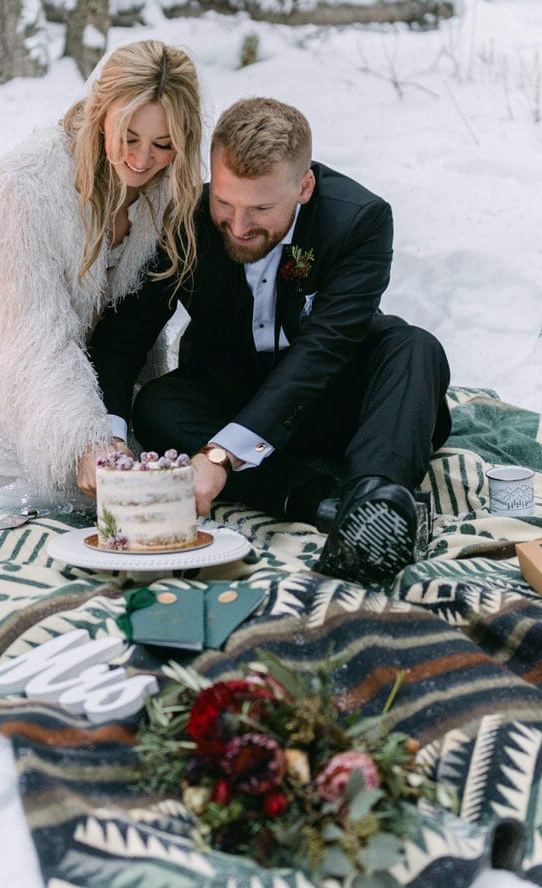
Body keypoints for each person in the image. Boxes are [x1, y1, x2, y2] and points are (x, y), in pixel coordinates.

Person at [86, 97, 451, 586]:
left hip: (337, 393)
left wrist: (218, 457)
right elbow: (124, 338)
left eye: (260, 209)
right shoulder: (184, 218)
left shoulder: (359, 220)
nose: (238, 226)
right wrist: (107, 440)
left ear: (304, 187)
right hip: (232, 393)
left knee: (415, 347)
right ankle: (318, 503)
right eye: (225, 203)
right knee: (156, 405)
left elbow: (325, 348)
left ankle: (377, 503)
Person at [0, 40, 203, 494]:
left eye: (163, 144)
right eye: (128, 138)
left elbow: (140, 320)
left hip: (94, 353)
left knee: (145, 453)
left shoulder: (169, 185)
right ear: (100, 110)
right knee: (38, 468)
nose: (142, 161)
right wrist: (85, 442)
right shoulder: (24, 183)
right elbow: (34, 339)